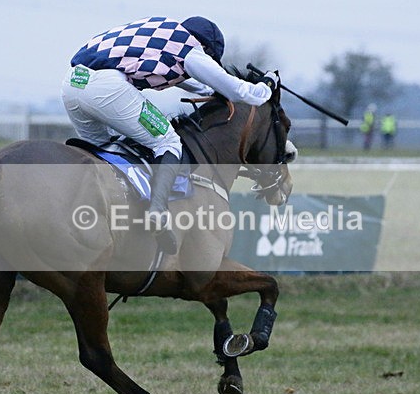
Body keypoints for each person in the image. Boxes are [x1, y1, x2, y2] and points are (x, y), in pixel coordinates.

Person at [62, 16, 278, 254]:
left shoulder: (167, 35)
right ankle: (157, 211)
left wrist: (215, 92)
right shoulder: (193, 52)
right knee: (169, 141)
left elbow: (198, 85)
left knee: (108, 152)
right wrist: (267, 84)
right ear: (207, 50)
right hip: (106, 87)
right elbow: (238, 91)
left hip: (72, 84)